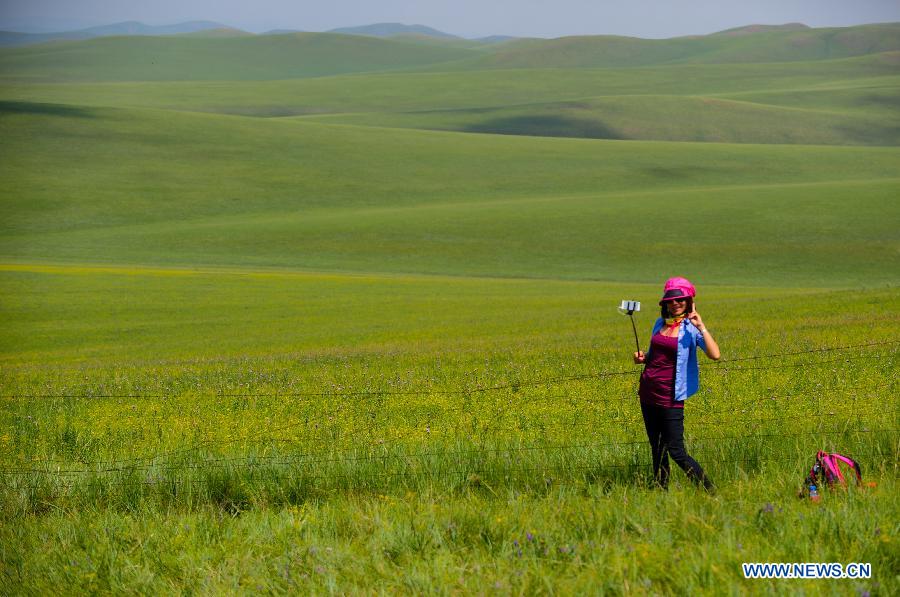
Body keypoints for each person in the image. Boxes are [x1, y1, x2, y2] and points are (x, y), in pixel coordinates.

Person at [633, 277, 720, 491]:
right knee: (657, 447)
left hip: (671, 395)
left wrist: (702, 326)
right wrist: (643, 357)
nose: (675, 303)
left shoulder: (691, 328)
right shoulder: (659, 324)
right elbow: (655, 355)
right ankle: (661, 490)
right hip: (648, 392)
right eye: (671, 301)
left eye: (680, 299)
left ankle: (709, 490)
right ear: (665, 304)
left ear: (689, 301)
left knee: (676, 450)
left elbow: (715, 354)